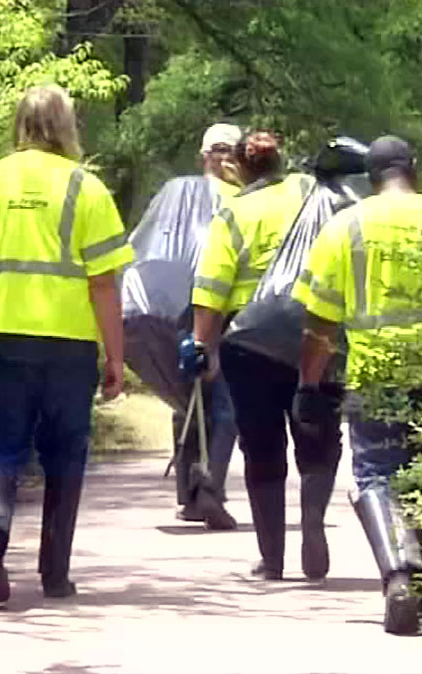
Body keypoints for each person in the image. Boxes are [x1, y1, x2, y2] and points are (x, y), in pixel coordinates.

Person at [0, 84, 133, 603]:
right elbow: (103, 284)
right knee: (66, 451)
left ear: (19, 124)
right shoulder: (86, 188)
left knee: (3, 441)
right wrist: (115, 357)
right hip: (69, 343)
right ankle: (54, 573)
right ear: (67, 126)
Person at [291, 135, 422, 634]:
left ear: (369, 177)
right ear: (413, 169)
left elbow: (319, 323)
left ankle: (397, 575)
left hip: (375, 376)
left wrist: (309, 385)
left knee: (376, 474)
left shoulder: (344, 228)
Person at [188, 130, 342, 582]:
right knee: (319, 430)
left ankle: (272, 558)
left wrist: (201, 344)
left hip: (249, 341)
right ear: (282, 161)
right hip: (318, 325)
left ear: (239, 167)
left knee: (261, 444)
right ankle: (312, 517)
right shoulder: (310, 191)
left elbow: (211, 286)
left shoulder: (233, 212)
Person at [169, 123, 242, 529]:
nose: (224, 155)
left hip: (231, 306)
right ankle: (193, 493)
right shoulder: (184, 197)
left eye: (232, 149)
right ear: (203, 155)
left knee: (223, 402)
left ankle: (207, 488)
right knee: (188, 399)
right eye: (217, 148)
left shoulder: (247, 198)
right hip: (187, 305)